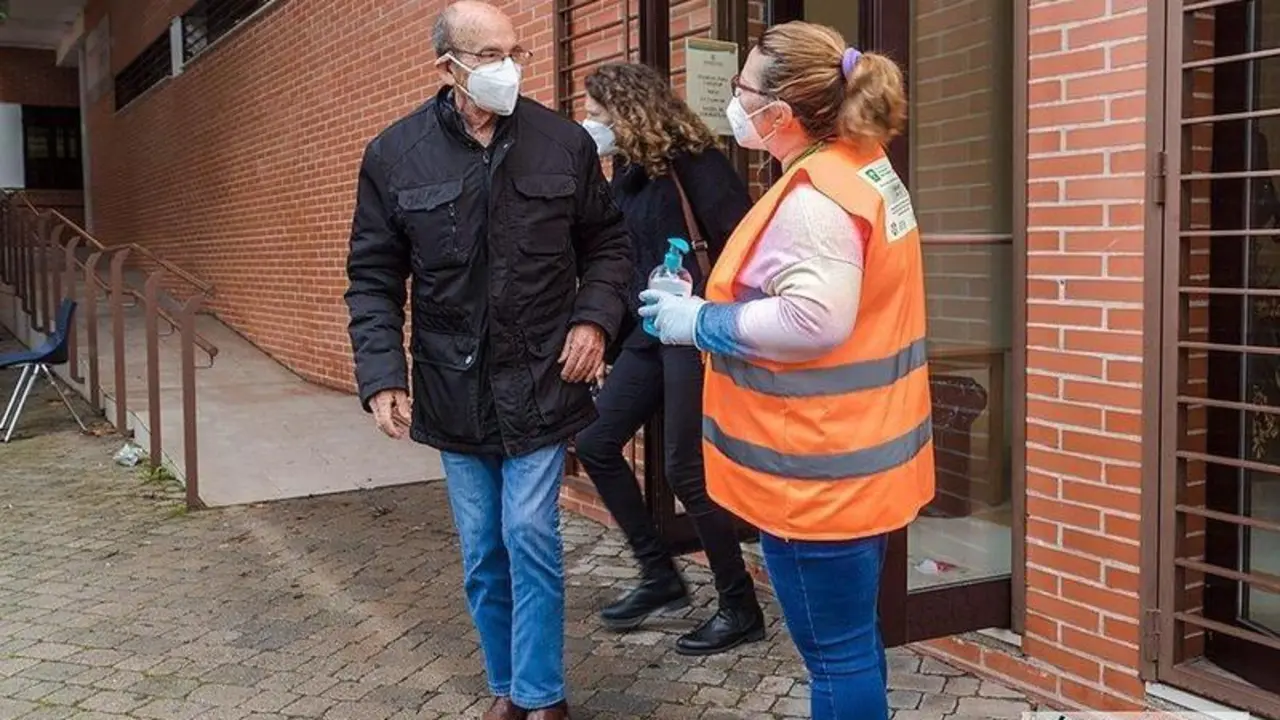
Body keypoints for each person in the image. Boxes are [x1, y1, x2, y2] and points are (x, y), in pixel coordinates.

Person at [638, 21, 934, 720]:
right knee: (855, 645)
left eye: (743, 87)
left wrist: (697, 323)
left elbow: (814, 319)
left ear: (781, 114)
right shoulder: (861, 167)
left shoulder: (816, 198)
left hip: (817, 477)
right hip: (859, 455)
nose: (733, 100)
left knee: (837, 659)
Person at [343, 2, 632, 718]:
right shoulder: (394, 155)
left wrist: (595, 320)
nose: (508, 67)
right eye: (489, 55)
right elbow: (373, 276)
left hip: (541, 377)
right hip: (452, 387)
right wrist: (382, 375)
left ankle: (541, 695)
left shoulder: (561, 143)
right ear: (448, 67)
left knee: (529, 533)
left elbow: (609, 246)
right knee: (483, 552)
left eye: (516, 52)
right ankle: (506, 685)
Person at [572, 62, 764, 656]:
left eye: (597, 114)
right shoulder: (626, 173)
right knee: (597, 443)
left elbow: (741, 246)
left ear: (627, 112)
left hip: (693, 332)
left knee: (686, 470)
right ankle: (660, 576)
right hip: (648, 336)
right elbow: (628, 260)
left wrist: (710, 316)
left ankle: (739, 605)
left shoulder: (697, 165)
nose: (590, 124)